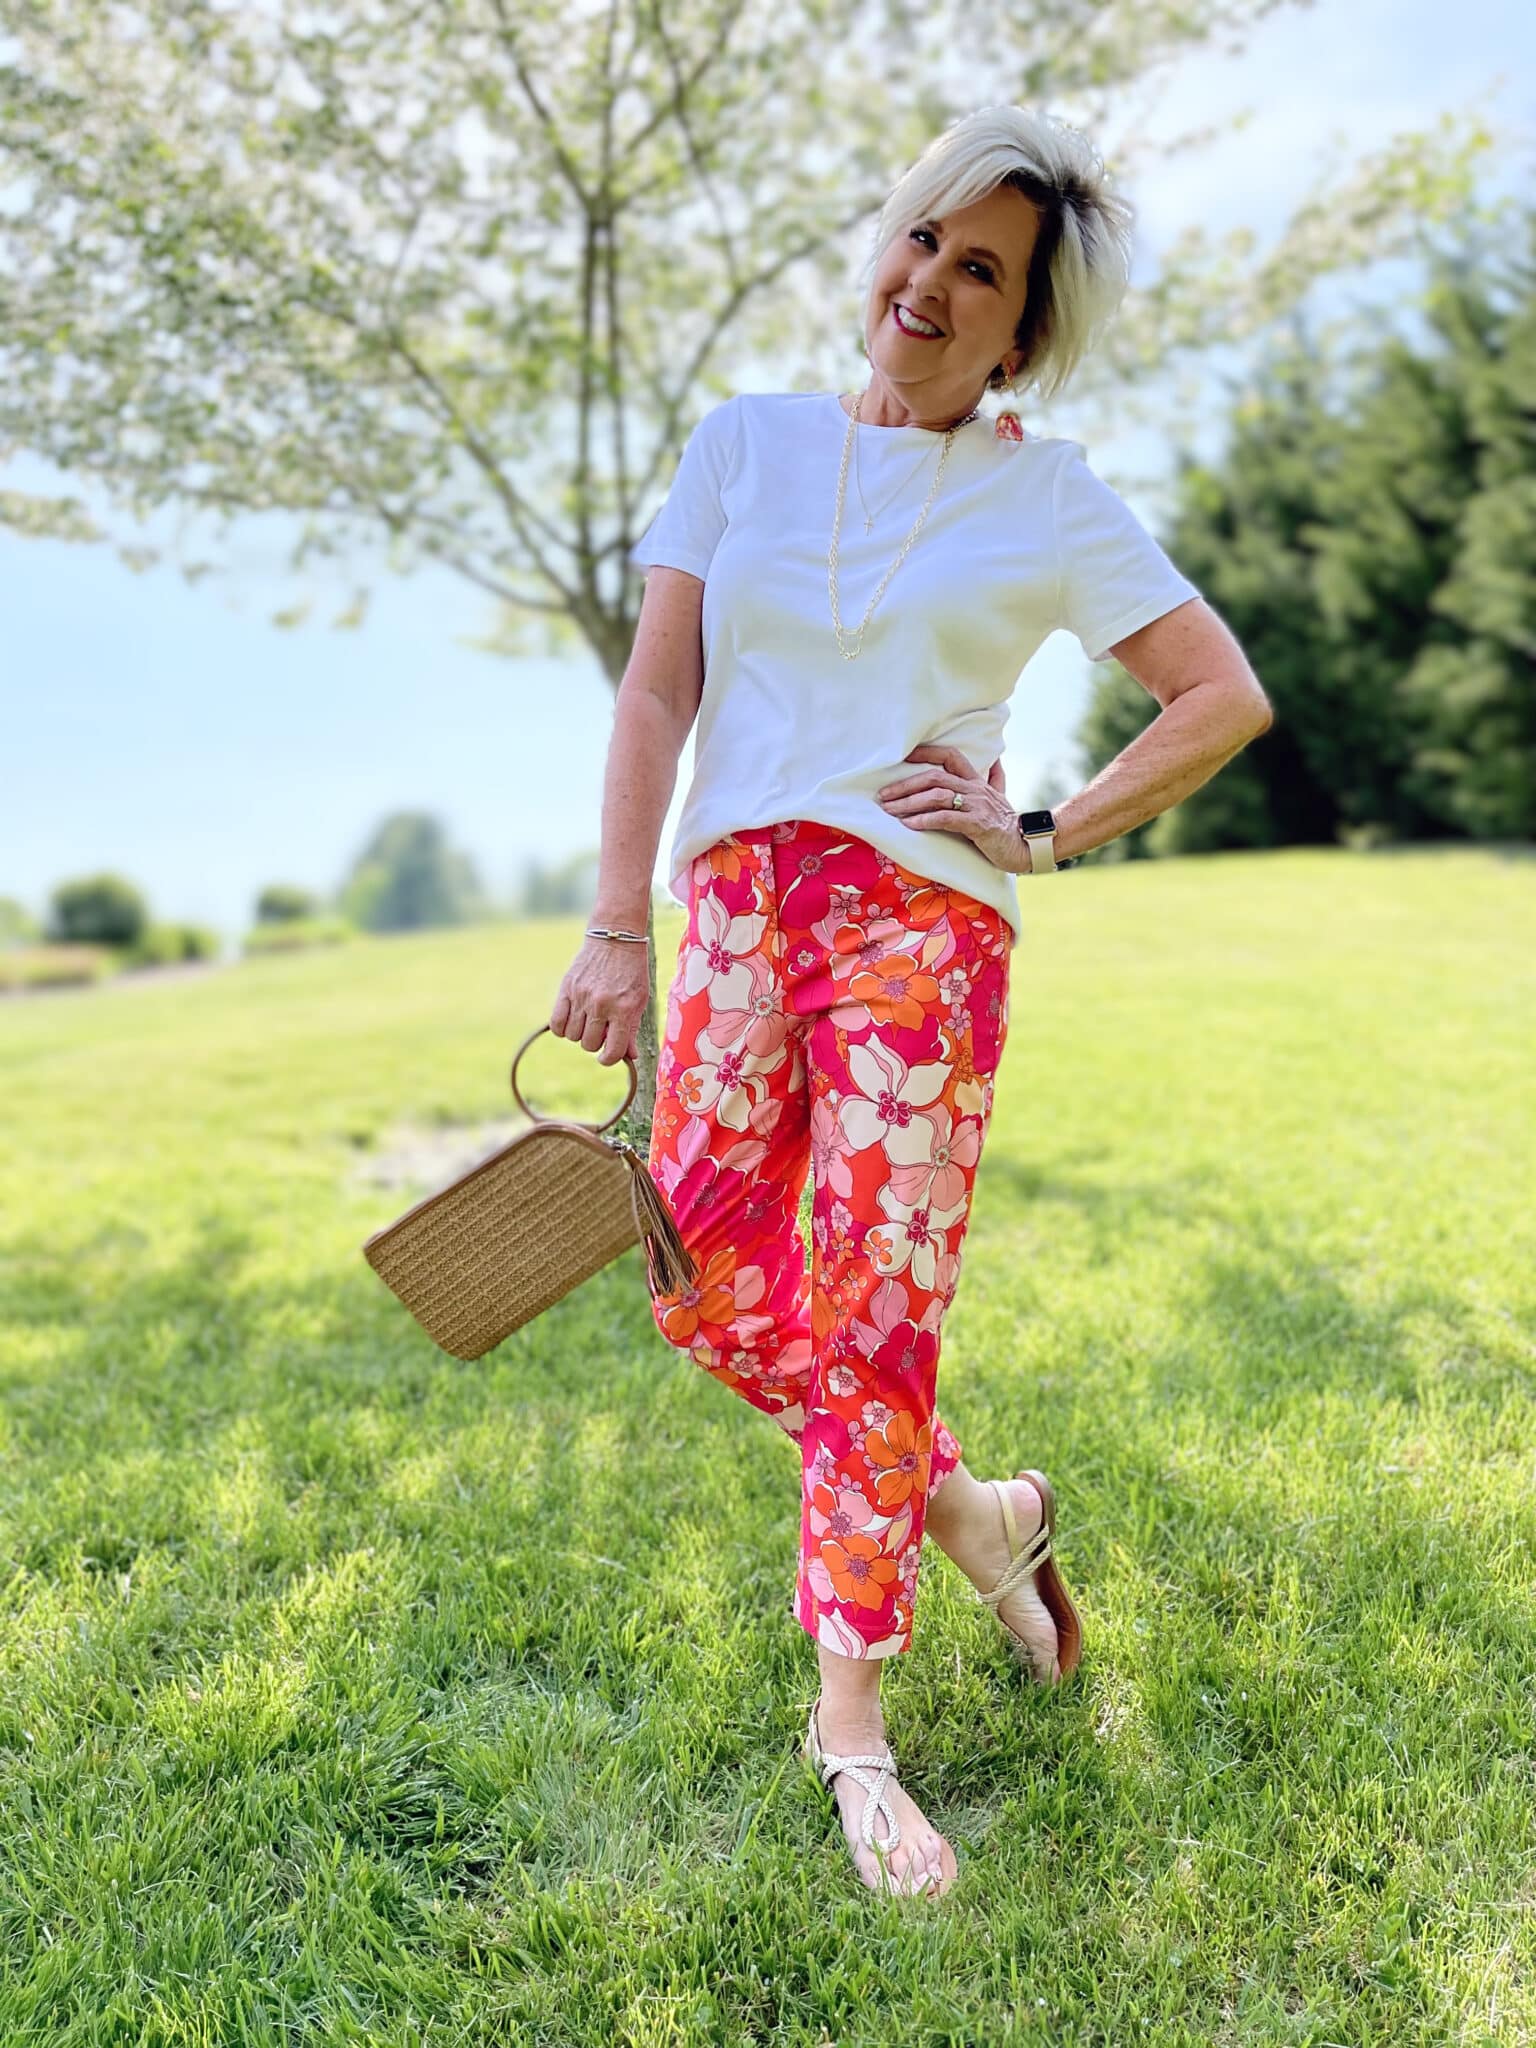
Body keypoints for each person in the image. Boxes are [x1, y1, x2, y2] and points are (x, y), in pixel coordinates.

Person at [549, 103, 1273, 1901]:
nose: (931, 286)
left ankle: (852, 1732)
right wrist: (616, 929)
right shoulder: (746, 448)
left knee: (875, 1317)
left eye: (982, 272)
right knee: (702, 1278)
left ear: (1019, 331)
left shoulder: (1046, 492)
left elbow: (1219, 695)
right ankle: (973, 1512)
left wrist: (1043, 826)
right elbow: (655, 696)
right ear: (878, 250)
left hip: (919, 931)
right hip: (727, 910)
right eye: (921, 243)